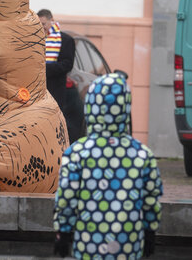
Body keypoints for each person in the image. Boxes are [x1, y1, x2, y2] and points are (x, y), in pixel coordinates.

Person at [53, 73, 162, 259]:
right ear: (125, 108)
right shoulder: (143, 155)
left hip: (88, 245)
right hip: (129, 245)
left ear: (91, 107)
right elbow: (151, 199)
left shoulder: (77, 153)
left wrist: (63, 231)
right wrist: (150, 232)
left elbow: (67, 197)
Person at [38, 9, 78, 137]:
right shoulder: (36, 39)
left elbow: (67, 64)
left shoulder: (66, 40)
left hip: (56, 90)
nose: (42, 28)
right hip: (38, 90)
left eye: (43, 24)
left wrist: (45, 68)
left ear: (51, 21)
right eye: (39, 25)